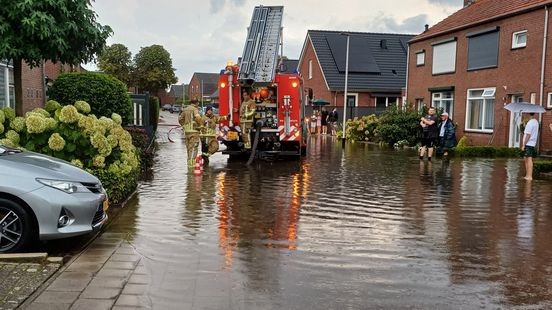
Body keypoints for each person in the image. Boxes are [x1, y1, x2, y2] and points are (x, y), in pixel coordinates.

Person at [179, 99, 202, 167]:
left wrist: (184, 126)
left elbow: (180, 119)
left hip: (187, 132)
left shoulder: (185, 109)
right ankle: (191, 165)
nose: (198, 104)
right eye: (198, 103)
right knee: (194, 148)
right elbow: (198, 118)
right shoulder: (195, 109)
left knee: (189, 148)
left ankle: (189, 164)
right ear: (196, 103)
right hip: (194, 132)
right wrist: (201, 125)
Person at [521, 112, 539, 181]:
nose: (524, 115)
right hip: (532, 143)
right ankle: (527, 175)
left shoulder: (530, 123)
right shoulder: (535, 122)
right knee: (526, 158)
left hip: (528, 143)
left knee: (529, 159)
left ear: (528, 114)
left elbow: (528, 135)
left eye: (525, 114)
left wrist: (524, 145)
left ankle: (529, 176)